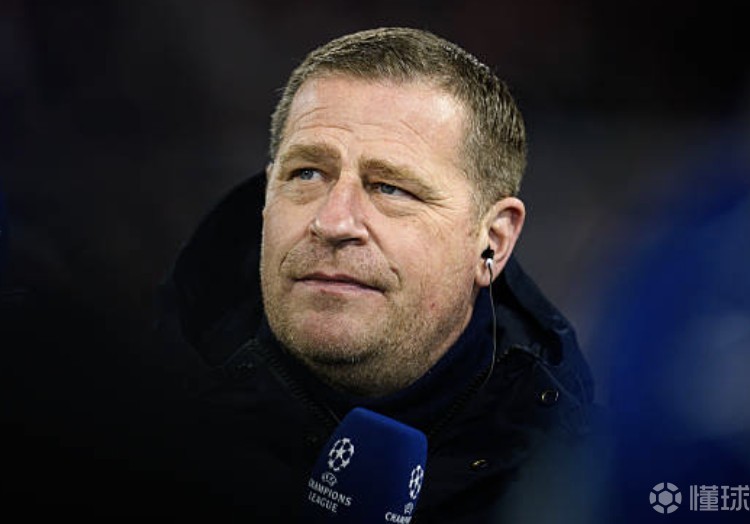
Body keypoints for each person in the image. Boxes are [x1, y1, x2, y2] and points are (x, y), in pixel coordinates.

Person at [154, 27, 599, 523]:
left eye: (390, 187)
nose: (333, 222)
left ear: (491, 240)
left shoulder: (581, 486)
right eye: (306, 173)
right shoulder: (122, 413)